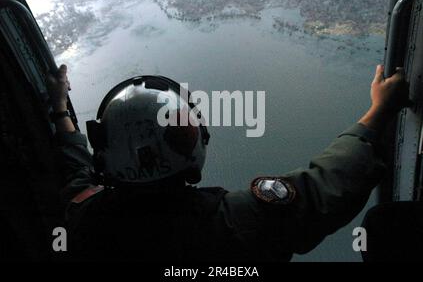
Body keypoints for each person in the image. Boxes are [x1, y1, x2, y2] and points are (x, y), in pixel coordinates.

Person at [47, 64, 408, 261]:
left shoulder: (82, 215)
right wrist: (379, 110)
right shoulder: (235, 223)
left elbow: (76, 166)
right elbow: (324, 190)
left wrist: (60, 107)